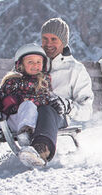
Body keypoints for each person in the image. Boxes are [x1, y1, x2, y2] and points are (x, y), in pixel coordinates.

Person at [25, 17, 94, 166]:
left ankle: (41, 148)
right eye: (45, 39)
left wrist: (67, 105)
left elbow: (87, 110)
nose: (48, 44)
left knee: (47, 108)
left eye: (53, 39)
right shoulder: (32, 62)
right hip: (26, 111)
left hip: (56, 115)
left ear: (64, 42)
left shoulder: (75, 70)